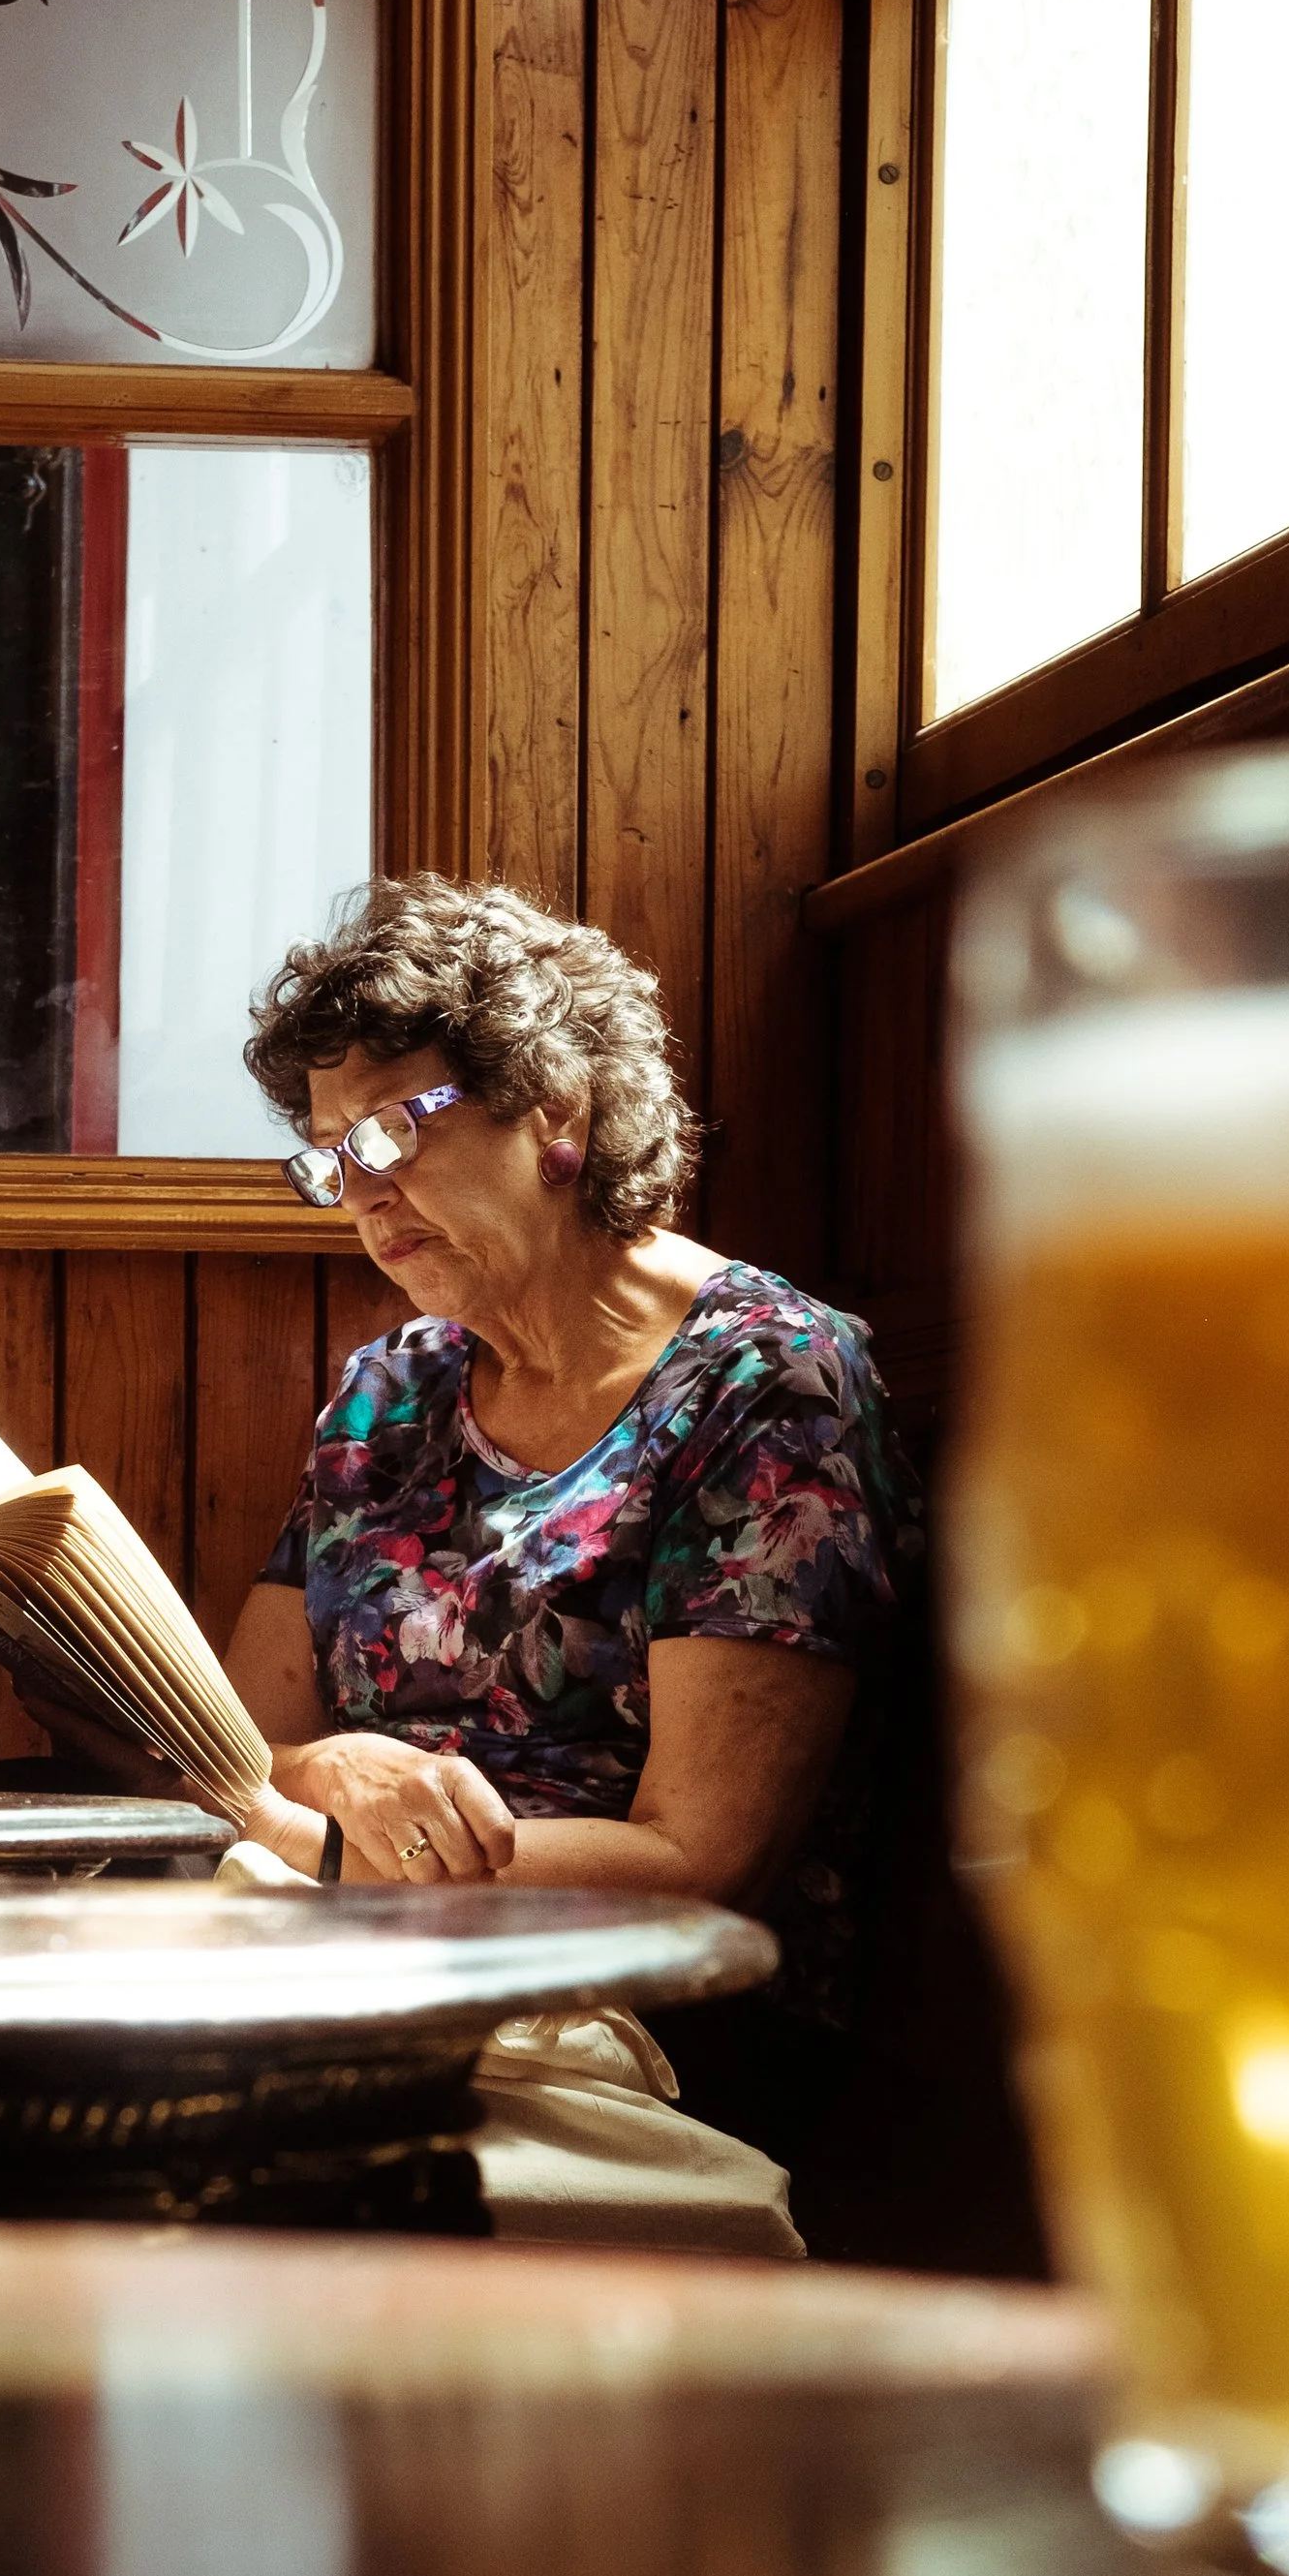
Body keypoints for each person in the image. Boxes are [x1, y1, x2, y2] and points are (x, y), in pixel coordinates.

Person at [218, 874, 920, 2251]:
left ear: (558, 1110)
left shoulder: (770, 1381)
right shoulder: (388, 1394)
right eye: (331, 1152)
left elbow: (701, 1862)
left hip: (650, 2033)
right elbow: (242, 1739)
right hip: (360, 1958)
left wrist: (329, 1847)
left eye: (397, 1128)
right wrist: (322, 1785)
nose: (360, 1187)